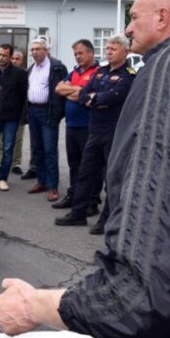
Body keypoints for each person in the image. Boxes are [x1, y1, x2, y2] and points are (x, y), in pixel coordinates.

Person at [0, 0, 170, 338]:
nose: (127, 29)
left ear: (163, 18)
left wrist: (36, 307)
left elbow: (139, 297)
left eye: (134, 18)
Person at [55, 34, 136, 232]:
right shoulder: (100, 72)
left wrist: (93, 98)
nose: (109, 52)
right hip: (94, 130)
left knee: (110, 177)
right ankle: (78, 213)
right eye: (107, 48)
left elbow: (111, 97)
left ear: (125, 51)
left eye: (113, 49)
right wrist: (92, 97)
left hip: (113, 132)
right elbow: (84, 94)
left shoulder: (129, 75)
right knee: (85, 173)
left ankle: (107, 218)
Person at [52, 40, 100, 211]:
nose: (78, 57)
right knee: (74, 164)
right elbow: (58, 88)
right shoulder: (74, 71)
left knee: (91, 166)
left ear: (91, 53)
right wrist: (77, 91)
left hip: (88, 126)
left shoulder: (98, 72)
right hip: (71, 125)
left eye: (81, 53)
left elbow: (88, 95)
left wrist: (74, 91)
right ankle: (74, 195)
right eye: (75, 54)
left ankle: (92, 201)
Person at [25, 37, 67, 202]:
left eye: (38, 49)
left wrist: (58, 114)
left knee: (50, 150)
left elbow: (63, 91)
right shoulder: (31, 68)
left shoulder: (57, 67)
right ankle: (41, 181)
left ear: (46, 50)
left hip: (48, 112)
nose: (35, 52)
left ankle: (53, 186)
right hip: (33, 111)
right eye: (33, 49)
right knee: (37, 149)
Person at [0, 44, 27, 192]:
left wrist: (22, 115)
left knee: (8, 148)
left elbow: (23, 96)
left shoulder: (20, 74)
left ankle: (3, 178)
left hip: (11, 117)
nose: (1, 58)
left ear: (10, 57)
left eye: (4, 55)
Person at [11, 50, 34, 178]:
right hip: (4, 112)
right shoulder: (4, 72)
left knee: (18, 139)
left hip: (20, 112)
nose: (15, 61)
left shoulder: (26, 74)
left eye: (17, 59)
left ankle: (15, 164)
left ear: (22, 60)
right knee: (1, 140)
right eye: (13, 58)